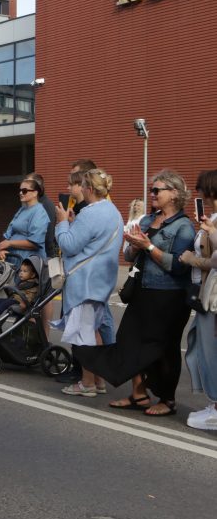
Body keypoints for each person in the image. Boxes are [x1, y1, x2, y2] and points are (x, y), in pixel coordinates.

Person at [78, 170, 195, 415]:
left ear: (174, 194)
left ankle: (167, 400)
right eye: (152, 189)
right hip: (142, 290)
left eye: (157, 190)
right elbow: (131, 255)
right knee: (129, 342)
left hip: (168, 296)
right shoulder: (146, 220)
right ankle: (139, 395)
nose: (152, 194)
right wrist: (133, 246)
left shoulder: (184, 227)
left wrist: (148, 246)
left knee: (163, 348)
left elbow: (178, 265)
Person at [51, 169, 123, 398]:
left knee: (83, 335)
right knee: (94, 331)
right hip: (101, 280)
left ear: (90, 189)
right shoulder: (112, 211)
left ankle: (87, 382)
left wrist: (62, 223)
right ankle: (98, 380)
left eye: (82, 185)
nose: (79, 189)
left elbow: (69, 245)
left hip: (85, 281)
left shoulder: (90, 213)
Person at [178, 169, 217, 430]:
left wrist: (192, 259)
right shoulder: (211, 218)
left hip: (213, 296)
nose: (201, 195)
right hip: (206, 293)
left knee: (210, 351)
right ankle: (214, 404)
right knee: (202, 348)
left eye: (203, 190)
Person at [0, 177, 49, 269]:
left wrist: (10, 243)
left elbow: (35, 243)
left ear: (35, 193)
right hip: (14, 261)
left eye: (24, 191)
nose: (21, 193)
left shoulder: (40, 212)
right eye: (20, 190)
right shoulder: (22, 210)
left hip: (29, 265)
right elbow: (9, 234)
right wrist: (2, 250)